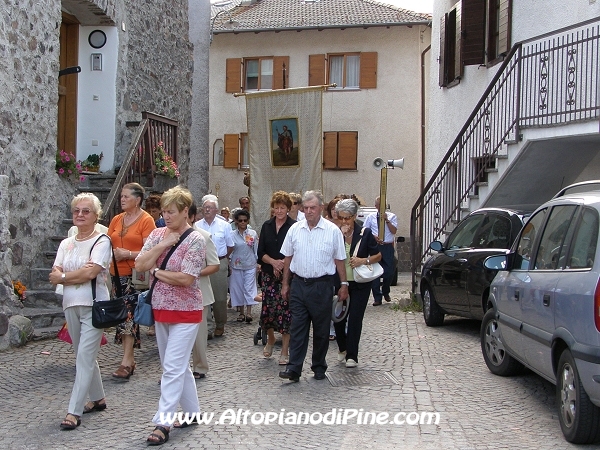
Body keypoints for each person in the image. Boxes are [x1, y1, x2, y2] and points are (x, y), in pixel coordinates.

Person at [135, 186, 206, 446]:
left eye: (171, 212)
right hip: (161, 307)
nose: (166, 216)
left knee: (173, 367)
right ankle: (192, 413)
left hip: (187, 311)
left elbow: (186, 279)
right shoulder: (157, 234)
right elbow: (140, 264)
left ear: (185, 211)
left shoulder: (196, 240)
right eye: (164, 211)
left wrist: (156, 273)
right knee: (176, 366)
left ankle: (163, 421)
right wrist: (163, 244)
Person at [49, 193, 112, 430]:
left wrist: (65, 276)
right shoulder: (67, 243)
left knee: (84, 358)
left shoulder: (102, 241)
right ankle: (98, 398)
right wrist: (68, 276)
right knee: (82, 356)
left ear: (96, 216)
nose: (80, 215)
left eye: (86, 211)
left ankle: (73, 411)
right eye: (77, 210)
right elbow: (55, 270)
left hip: (93, 306)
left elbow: (90, 273)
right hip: (70, 304)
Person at [278, 190, 349, 382]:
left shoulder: (332, 231)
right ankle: (294, 368)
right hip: (299, 284)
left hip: (322, 285)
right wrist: (285, 284)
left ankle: (318, 366)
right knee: (298, 328)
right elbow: (287, 258)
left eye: (313, 208)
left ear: (321, 208)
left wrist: (344, 284)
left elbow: (340, 260)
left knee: (321, 329)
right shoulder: (295, 230)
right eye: (306, 208)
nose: (309, 211)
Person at [107, 182, 156, 379]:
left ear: (137, 200)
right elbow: (107, 243)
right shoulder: (117, 219)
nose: (122, 199)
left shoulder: (146, 220)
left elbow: (151, 250)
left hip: (135, 277)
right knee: (121, 316)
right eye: (121, 196)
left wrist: (126, 253)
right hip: (115, 275)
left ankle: (127, 361)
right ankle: (129, 359)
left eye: (126, 196)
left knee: (128, 316)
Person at [333, 199, 382, 368]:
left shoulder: (365, 233)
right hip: (339, 282)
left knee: (355, 318)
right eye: (341, 218)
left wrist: (363, 260)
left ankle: (352, 355)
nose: (344, 221)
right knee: (338, 318)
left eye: (347, 218)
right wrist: (341, 235)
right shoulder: (334, 233)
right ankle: (342, 348)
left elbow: (378, 256)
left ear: (354, 216)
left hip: (360, 282)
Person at [258, 191, 296, 365]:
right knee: (268, 311)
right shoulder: (266, 226)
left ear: (288, 209)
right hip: (268, 274)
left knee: (286, 312)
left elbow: (296, 252)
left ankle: (285, 350)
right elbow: (260, 253)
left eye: (282, 208)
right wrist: (273, 263)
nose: (279, 211)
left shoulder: (294, 226)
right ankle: (271, 339)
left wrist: (282, 264)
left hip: (287, 275)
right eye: (276, 207)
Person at [188, 203, 220, 379]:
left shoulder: (204, 236)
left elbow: (214, 264)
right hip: (176, 292)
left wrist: (194, 273)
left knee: (199, 335)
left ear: (192, 217)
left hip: (199, 291)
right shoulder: (168, 236)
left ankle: (200, 366)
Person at [195, 194, 234, 337]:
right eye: (205, 207)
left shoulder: (224, 225)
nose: (207, 210)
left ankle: (220, 323)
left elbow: (231, 246)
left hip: (219, 261)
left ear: (216, 210)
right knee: (203, 296)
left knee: (220, 297)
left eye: (210, 208)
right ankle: (208, 327)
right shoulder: (197, 226)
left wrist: (223, 259)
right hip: (202, 263)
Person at [362, 196, 398, 306]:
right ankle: (377, 297)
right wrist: (373, 237)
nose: (381, 208)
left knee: (389, 272)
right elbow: (364, 231)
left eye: (383, 206)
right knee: (375, 273)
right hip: (375, 246)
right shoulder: (371, 217)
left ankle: (386, 291)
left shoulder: (392, 216)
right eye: (379, 205)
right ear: (376, 206)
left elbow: (394, 231)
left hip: (387, 246)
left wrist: (387, 220)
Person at [229, 208, 259, 323]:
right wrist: (229, 264)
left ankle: (249, 312)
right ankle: (241, 312)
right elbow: (230, 250)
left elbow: (256, 249)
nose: (242, 223)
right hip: (236, 266)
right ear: (236, 221)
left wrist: (258, 263)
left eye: (245, 220)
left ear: (248, 221)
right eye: (240, 220)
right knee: (238, 288)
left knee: (249, 288)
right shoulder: (232, 235)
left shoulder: (252, 233)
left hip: (250, 264)